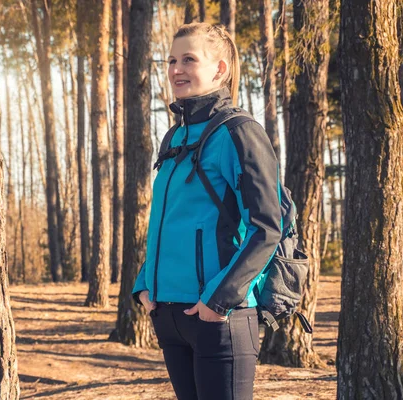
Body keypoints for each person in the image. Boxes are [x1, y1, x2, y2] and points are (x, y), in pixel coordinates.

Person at [132, 22, 282, 400]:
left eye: (189, 59)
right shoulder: (174, 136)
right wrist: (144, 285)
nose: (176, 69)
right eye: (171, 60)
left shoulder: (239, 132)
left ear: (219, 69)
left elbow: (266, 227)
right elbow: (168, 220)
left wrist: (218, 302)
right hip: (169, 314)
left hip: (219, 317)